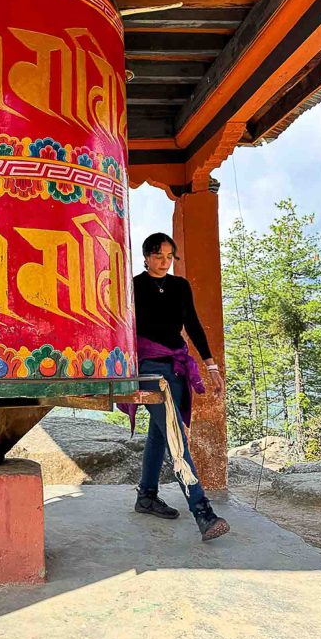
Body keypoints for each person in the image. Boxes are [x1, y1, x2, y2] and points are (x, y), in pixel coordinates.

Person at [131, 232, 229, 542]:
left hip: (176, 366)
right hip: (148, 369)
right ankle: (202, 512)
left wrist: (211, 365)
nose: (164, 262)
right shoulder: (133, 285)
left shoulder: (179, 286)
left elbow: (194, 324)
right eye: (158, 256)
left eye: (169, 257)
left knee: (160, 433)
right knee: (176, 437)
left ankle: (146, 495)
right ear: (146, 257)